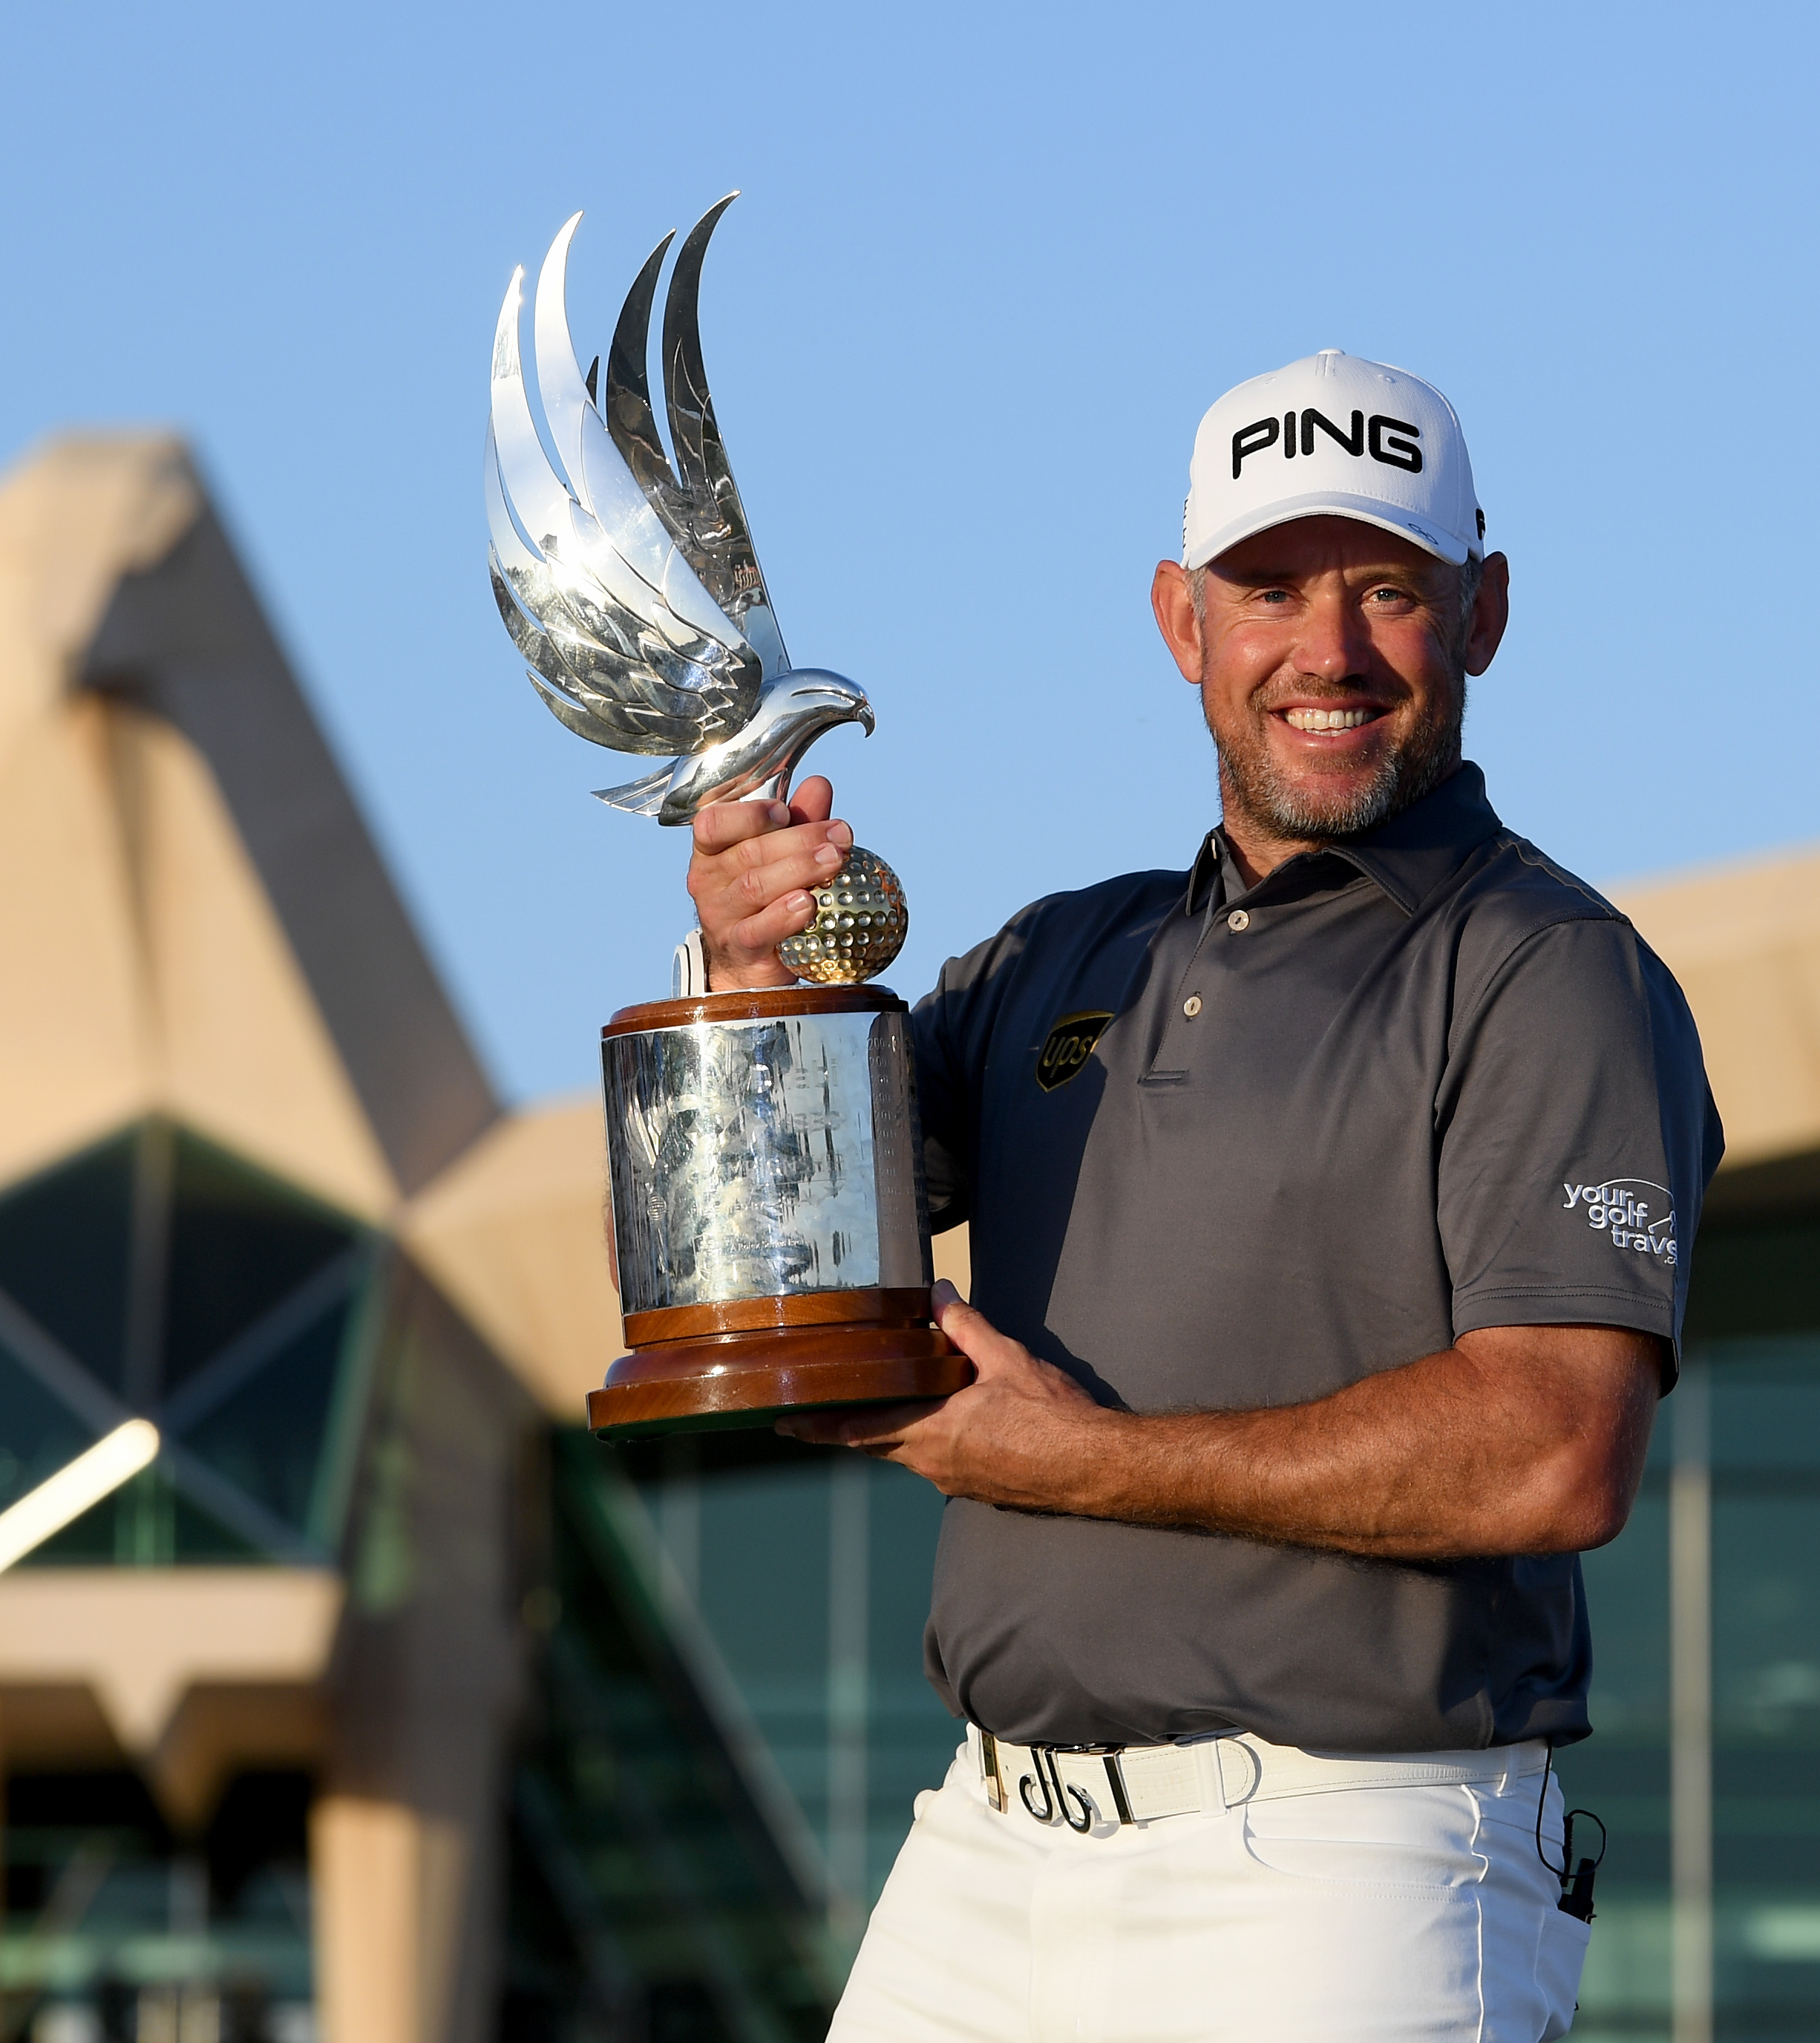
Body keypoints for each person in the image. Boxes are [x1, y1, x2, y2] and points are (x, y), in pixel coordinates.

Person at [683, 347, 1724, 2042]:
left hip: (1350, 1855)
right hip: (986, 1846)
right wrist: (746, 987)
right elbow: (752, 1283)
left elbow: (1556, 1446)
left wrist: (1073, 1461)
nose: (1329, 650)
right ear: (1182, 620)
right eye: (1270, 590)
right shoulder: (1053, 953)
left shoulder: (1548, 969)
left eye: (1391, 589)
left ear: (1484, 616)